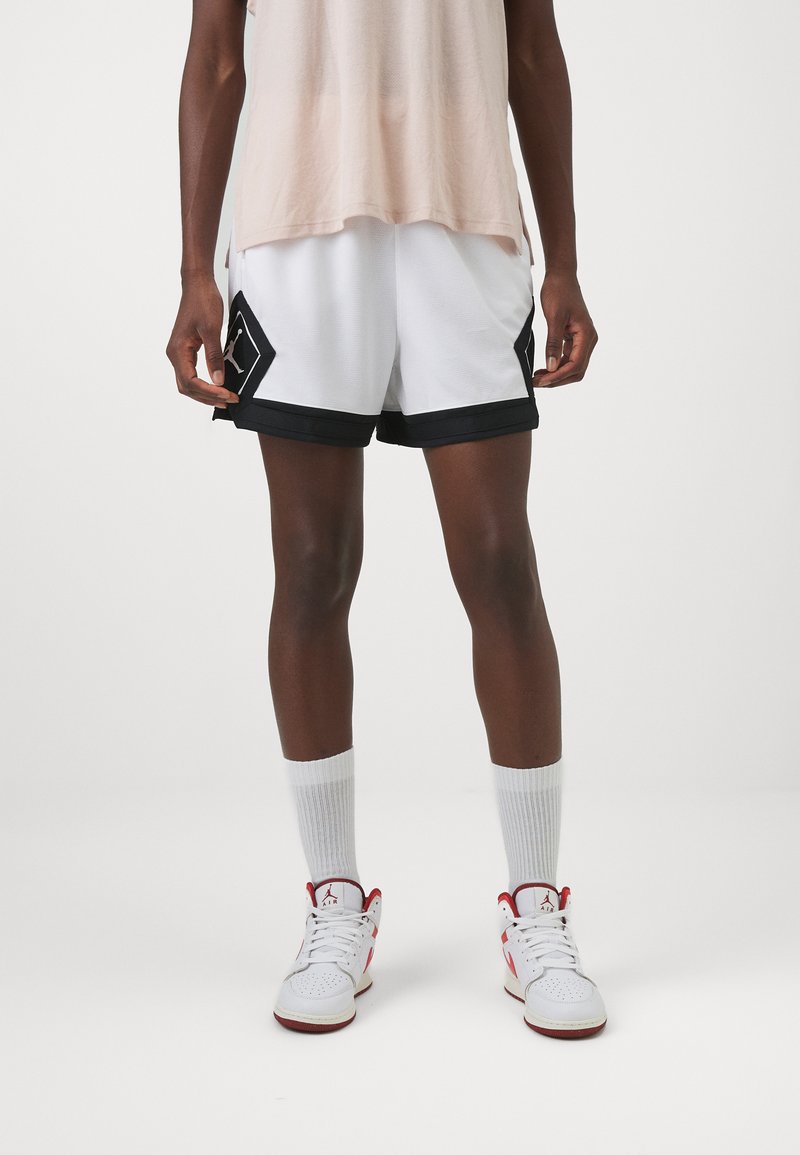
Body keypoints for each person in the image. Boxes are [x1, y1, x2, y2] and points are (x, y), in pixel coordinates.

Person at [166, 0, 606, 1039]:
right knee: (312, 563)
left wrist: (564, 260)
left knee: (497, 560)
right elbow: (217, 55)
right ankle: (335, 902)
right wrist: (192, 269)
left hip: (465, 211)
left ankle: (533, 908)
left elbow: (533, 48)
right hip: (296, 215)